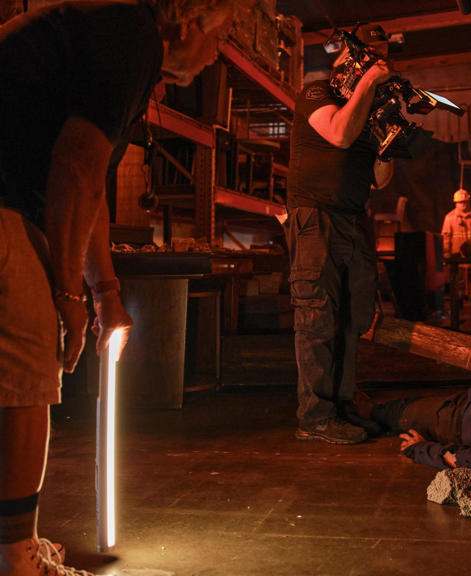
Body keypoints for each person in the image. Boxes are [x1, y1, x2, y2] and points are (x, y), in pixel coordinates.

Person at [0, 1, 234, 575]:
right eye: (219, 36)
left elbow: (93, 190)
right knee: (29, 376)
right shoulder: (132, 41)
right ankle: (15, 558)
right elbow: (74, 170)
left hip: (11, 196)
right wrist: (64, 295)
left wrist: (104, 294)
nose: (215, 55)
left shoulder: (123, 48)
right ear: (187, 21)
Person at [286, 24, 395, 445]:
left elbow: (381, 179)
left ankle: (342, 407)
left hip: (351, 219)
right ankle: (314, 417)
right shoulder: (317, 94)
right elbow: (339, 133)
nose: (379, 68)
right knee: (316, 317)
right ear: (349, 63)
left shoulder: (366, 112)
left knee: (351, 319)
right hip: (315, 217)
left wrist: (387, 139)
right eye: (370, 60)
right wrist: (370, 81)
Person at [441, 188, 471, 303]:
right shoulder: (449, 218)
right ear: (456, 203)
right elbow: (446, 236)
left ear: (468, 202)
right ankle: (457, 301)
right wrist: (446, 252)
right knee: (458, 280)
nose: (463, 205)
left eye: (465, 202)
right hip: (457, 255)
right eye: (460, 202)